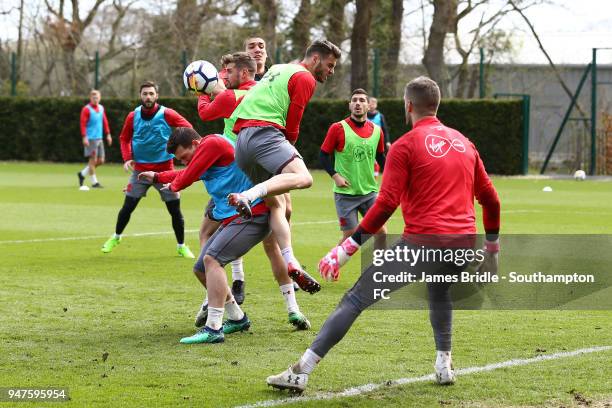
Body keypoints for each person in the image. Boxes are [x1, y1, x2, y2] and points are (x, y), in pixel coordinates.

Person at [266, 76, 501, 392]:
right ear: (437, 104)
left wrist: (347, 248)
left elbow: (386, 204)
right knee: (439, 291)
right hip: (462, 245)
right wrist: (492, 250)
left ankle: (301, 370)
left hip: (422, 245)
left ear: (408, 106)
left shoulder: (405, 145)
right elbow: (491, 199)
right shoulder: (464, 142)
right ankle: (444, 364)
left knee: (354, 299)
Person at [139, 128, 310, 343]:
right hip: (234, 216)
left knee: (213, 259)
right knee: (201, 268)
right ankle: (237, 317)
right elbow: (189, 171)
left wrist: (173, 185)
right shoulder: (205, 154)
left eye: (184, 157)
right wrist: (157, 176)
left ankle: (214, 328)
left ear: (195, 143)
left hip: (251, 214)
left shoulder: (212, 144)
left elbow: (188, 175)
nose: (184, 162)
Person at [193, 52, 310, 330]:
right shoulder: (265, 91)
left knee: (208, 236)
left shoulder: (230, 96)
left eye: (228, 70)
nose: (226, 74)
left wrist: (203, 88)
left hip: (237, 169)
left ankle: (218, 297)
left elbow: (205, 112)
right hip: (267, 161)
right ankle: (292, 305)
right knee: (274, 232)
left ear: (243, 72)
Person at [227, 40, 342, 294]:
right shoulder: (305, 78)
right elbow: (293, 124)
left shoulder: (279, 68)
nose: (331, 72)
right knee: (303, 177)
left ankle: (291, 261)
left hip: (242, 143)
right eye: (330, 65)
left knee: (279, 205)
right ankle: (249, 195)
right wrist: (289, 151)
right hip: (264, 133)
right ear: (315, 60)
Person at [100, 81, 195, 259]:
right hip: (140, 171)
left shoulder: (166, 113)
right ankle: (116, 237)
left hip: (165, 170)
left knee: (175, 210)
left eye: (151, 93)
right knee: (127, 207)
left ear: (157, 96)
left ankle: (181, 246)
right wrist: (127, 157)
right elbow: (124, 138)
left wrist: (181, 150)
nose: (148, 97)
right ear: (140, 95)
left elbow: (187, 128)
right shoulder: (132, 116)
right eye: (145, 94)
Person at [319, 88, 387, 247]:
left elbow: (380, 157)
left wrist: (393, 177)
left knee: (381, 232)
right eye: (354, 100)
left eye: (362, 100)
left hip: (369, 192)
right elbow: (323, 155)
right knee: (350, 236)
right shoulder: (338, 128)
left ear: (369, 106)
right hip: (345, 194)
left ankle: (378, 269)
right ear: (350, 106)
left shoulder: (377, 131)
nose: (358, 103)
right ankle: (330, 264)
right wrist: (335, 176)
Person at [78, 89, 112, 188]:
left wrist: (108, 134)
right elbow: (83, 124)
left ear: (100, 98)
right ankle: (94, 183)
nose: (95, 99)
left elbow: (104, 121)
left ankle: (82, 174)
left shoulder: (101, 108)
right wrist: (84, 137)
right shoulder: (86, 109)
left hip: (99, 138)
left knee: (101, 160)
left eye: (97, 97)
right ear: (90, 98)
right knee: (92, 160)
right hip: (91, 139)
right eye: (93, 97)